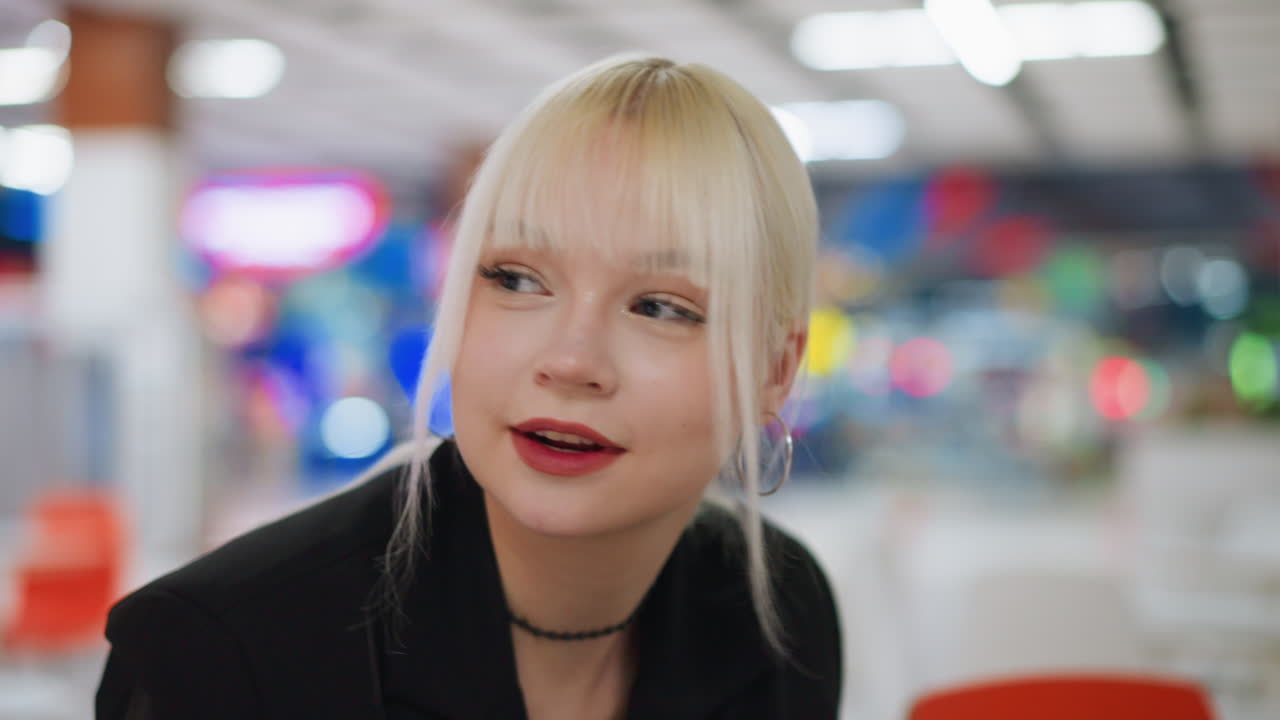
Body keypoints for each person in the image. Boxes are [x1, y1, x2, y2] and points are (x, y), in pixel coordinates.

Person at [96, 54, 842, 719]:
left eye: (660, 306)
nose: (570, 358)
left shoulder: (780, 612)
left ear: (775, 371)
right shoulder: (222, 654)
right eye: (518, 279)